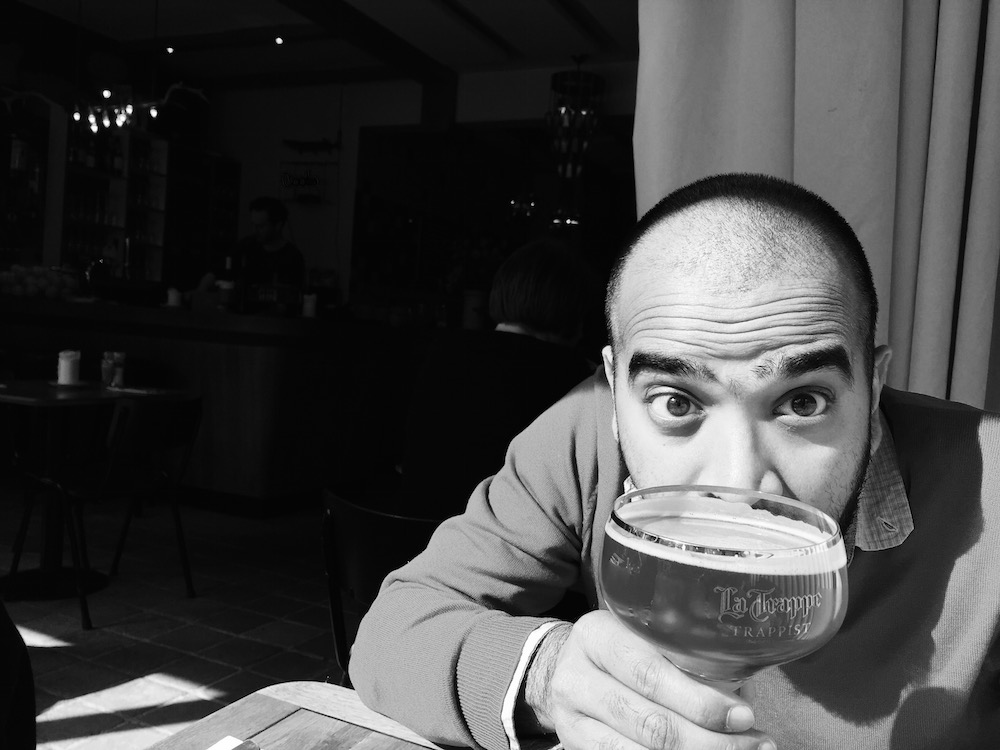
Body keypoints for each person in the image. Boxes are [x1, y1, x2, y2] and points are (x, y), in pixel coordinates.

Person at [349, 173, 1000, 749]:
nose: (737, 482)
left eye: (803, 402)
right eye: (678, 402)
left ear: (874, 390)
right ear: (614, 391)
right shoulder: (582, 440)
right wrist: (547, 675)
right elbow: (395, 628)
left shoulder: (990, 481)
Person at [396, 238, 600, 520]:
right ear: (573, 311)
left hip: (411, 531)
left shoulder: (443, 351)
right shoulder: (570, 376)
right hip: (494, 541)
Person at [195, 195, 304, 294]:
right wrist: (199, 295)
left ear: (278, 226)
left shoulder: (292, 257)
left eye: (261, 226)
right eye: (253, 225)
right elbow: (216, 272)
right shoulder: (246, 245)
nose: (255, 230)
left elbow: (292, 295)